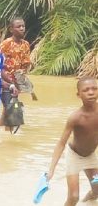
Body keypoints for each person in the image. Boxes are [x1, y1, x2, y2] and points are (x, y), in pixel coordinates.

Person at [47, 76, 98, 206]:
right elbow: (61, 143)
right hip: (74, 156)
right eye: (86, 90)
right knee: (74, 196)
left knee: (97, 191)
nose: (91, 92)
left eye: (94, 89)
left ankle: (87, 203)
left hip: (91, 155)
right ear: (78, 95)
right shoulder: (75, 117)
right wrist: (51, 169)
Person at [0, 17, 31, 128]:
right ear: (11, 29)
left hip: (16, 83)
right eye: (18, 26)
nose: (22, 28)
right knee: (12, 113)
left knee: (7, 110)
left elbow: (25, 65)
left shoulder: (26, 44)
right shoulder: (5, 44)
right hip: (5, 83)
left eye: (23, 26)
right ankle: (9, 139)